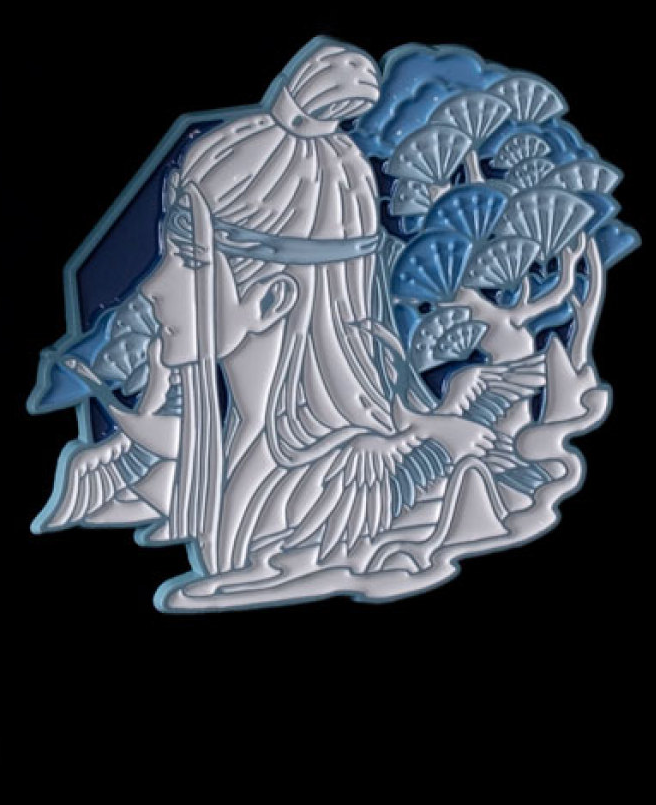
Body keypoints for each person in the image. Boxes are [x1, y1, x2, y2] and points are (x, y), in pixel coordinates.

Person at [38, 38, 546, 608]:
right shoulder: (244, 463)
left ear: (273, 298)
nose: (150, 289)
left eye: (185, 262)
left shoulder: (327, 492)